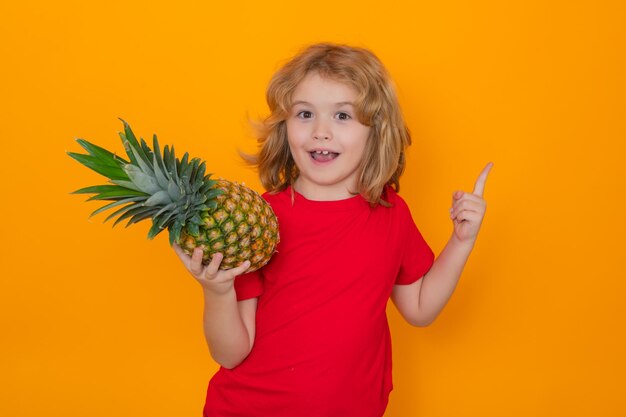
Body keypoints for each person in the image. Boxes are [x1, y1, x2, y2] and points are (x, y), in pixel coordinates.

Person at [173, 43, 492, 417]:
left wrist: (462, 241)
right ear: (285, 126)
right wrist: (217, 290)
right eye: (305, 113)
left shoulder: (391, 213)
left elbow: (420, 307)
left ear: (376, 130)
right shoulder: (259, 219)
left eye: (342, 116)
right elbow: (230, 353)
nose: (321, 131)